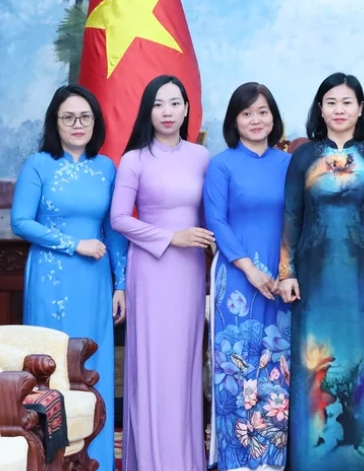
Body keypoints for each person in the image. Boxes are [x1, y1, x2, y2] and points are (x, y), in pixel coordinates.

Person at [277, 72, 364, 470]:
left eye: (347, 102)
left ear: (361, 108)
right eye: (331, 102)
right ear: (321, 108)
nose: (339, 109)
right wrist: (286, 272)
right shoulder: (303, 156)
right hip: (314, 282)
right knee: (316, 367)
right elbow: (291, 217)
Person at [11, 85, 127, 469]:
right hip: (51, 278)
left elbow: (113, 231)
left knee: (92, 368)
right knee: (51, 368)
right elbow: (21, 221)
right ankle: (50, 461)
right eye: (68, 117)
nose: (78, 124)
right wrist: (74, 244)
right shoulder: (39, 165)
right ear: (55, 123)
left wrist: (122, 283)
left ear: (96, 122)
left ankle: (96, 461)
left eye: (85, 117)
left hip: (95, 282)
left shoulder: (106, 168)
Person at [111, 75, 212, 471]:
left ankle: (185, 461)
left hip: (190, 272)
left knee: (185, 366)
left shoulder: (201, 157)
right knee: (154, 365)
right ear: (147, 111)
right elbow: (119, 219)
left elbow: (210, 215)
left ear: (186, 109)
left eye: (174, 103)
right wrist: (172, 237)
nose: (167, 111)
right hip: (151, 270)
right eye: (158, 104)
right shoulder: (134, 159)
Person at [204, 83, 292, 471]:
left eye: (262, 112)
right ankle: (235, 461)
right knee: (236, 368)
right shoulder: (222, 164)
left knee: (276, 367)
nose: (255, 120)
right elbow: (216, 221)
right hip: (237, 278)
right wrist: (250, 269)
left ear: (274, 117)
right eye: (246, 113)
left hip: (281, 279)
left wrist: (286, 271)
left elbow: (297, 219)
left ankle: (270, 461)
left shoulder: (288, 164)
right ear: (234, 121)